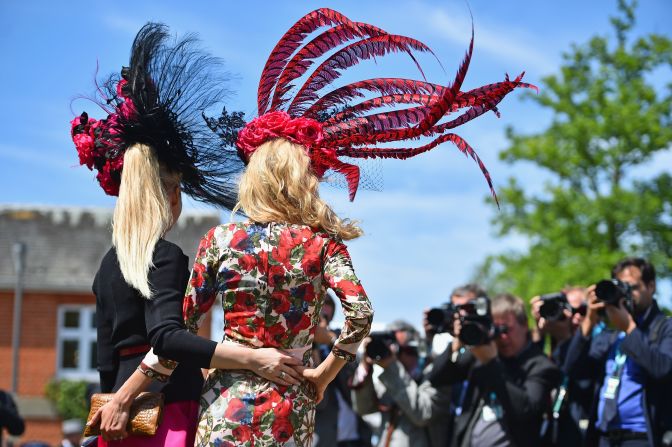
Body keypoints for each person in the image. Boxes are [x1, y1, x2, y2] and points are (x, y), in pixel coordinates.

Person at [72, 23, 300, 447]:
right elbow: (168, 338)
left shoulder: (109, 263)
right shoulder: (165, 255)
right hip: (166, 405)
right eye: (177, 189)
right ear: (166, 196)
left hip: (120, 414)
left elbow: (106, 358)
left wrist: (115, 404)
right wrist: (252, 357)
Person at [427, 293, 562, 447]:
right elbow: (436, 378)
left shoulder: (541, 366)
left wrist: (490, 363)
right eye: (496, 330)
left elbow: (525, 412)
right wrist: (456, 342)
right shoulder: (483, 354)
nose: (501, 337)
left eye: (506, 330)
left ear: (524, 325)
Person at [564, 258, 672, 447]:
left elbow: (662, 369)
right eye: (623, 288)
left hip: (643, 437)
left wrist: (629, 328)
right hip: (605, 437)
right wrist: (589, 321)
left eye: (633, 288)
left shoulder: (665, 328)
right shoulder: (612, 335)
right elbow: (572, 369)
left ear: (651, 286)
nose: (628, 295)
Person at [351, 321, 452, 447]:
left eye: (400, 349)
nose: (394, 355)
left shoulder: (437, 375)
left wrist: (393, 368)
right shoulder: (391, 378)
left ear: (414, 349)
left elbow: (422, 414)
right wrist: (365, 367)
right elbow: (363, 408)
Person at [531, 287, 595, 446]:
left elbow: (570, 371)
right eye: (569, 310)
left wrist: (566, 337)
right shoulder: (549, 350)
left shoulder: (595, 346)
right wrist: (539, 333)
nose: (574, 317)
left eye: (581, 310)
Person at [313, 294, 372, 447]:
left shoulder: (340, 338)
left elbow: (355, 369)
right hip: (323, 437)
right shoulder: (302, 345)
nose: (322, 317)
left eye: (325, 313)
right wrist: (314, 345)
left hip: (354, 435)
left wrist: (331, 340)